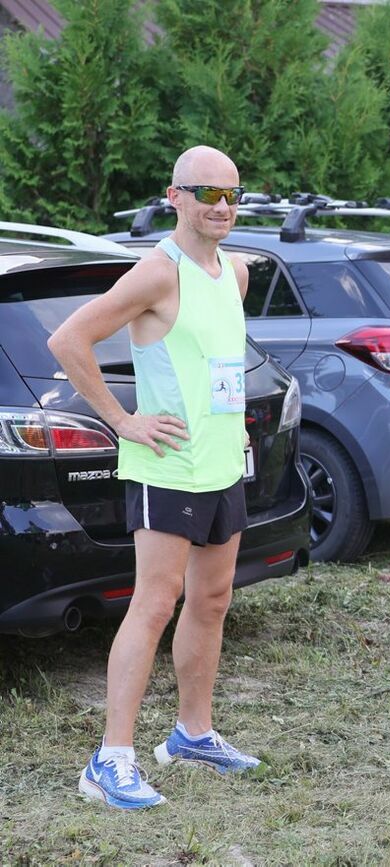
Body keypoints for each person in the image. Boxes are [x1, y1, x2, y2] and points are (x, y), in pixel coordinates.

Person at [49, 146, 260, 810]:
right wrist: (122, 420)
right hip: (167, 467)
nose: (221, 206)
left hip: (221, 464)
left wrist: (234, 423)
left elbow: (217, 359)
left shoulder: (236, 272)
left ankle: (193, 734)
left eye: (232, 194)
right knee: (154, 604)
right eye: (207, 193)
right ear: (175, 196)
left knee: (213, 600)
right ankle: (109, 760)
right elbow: (68, 340)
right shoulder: (157, 272)